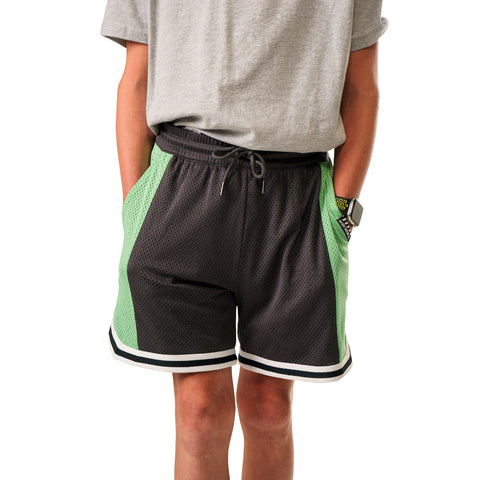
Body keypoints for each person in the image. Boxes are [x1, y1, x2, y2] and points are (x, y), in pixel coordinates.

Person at [100, 1, 388, 479]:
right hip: (183, 186)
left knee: (269, 409)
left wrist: (341, 212)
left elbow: (362, 86)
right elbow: (136, 76)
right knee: (199, 416)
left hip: (295, 197)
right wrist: (136, 205)